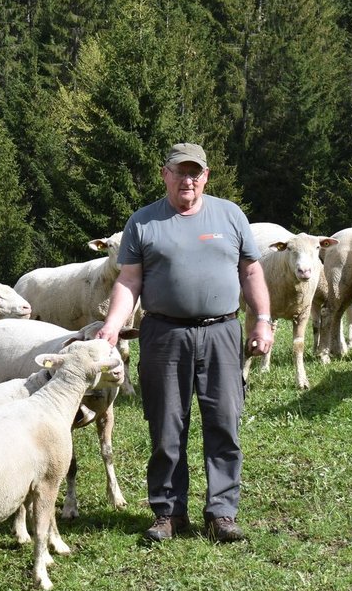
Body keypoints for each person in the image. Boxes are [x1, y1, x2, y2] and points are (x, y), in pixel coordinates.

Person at [99, 141, 273, 543]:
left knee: (224, 422)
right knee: (166, 426)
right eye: (180, 172)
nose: (188, 180)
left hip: (222, 332)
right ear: (166, 175)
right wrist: (112, 325)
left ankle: (221, 513)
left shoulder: (230, 215)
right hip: (163, 334)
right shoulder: (143, 222)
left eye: (195, 173)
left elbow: (251, 273)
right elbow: (129, 280)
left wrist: (262, 321)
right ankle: (168, 512)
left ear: (206, 176)